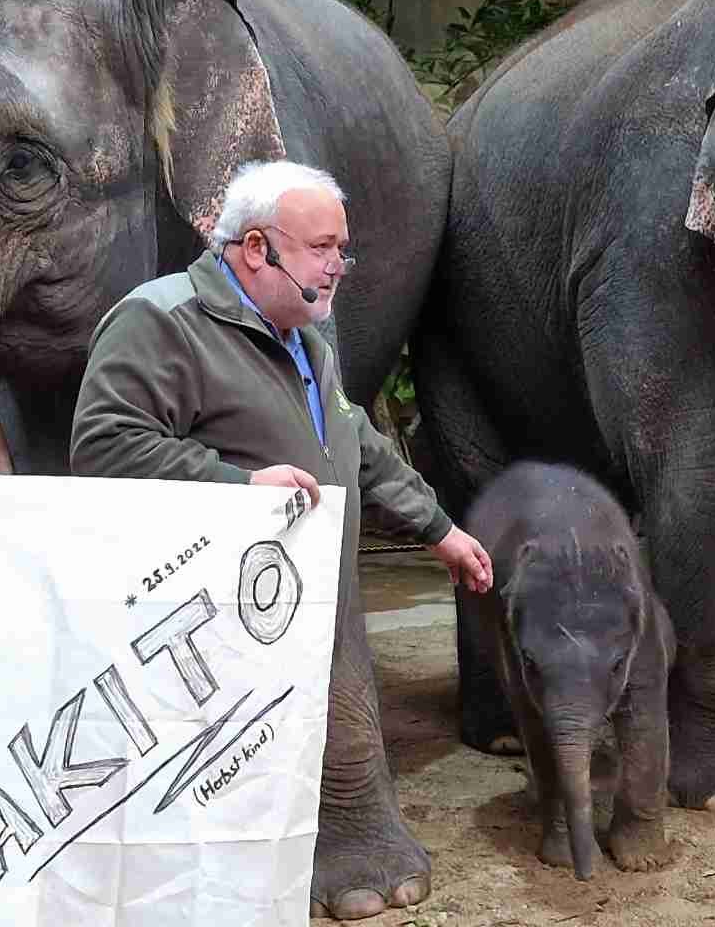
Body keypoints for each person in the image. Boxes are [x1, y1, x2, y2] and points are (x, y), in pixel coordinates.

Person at [70, 160, 491, 917]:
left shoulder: (306, 340)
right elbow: (104, 445)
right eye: (323, 247)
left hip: (299, 613)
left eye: (344, 249)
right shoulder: (163, 321)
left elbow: (355, 444)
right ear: (256, 249)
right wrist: (237, 487)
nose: (339, 266)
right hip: (208, 634)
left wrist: (440, 531)